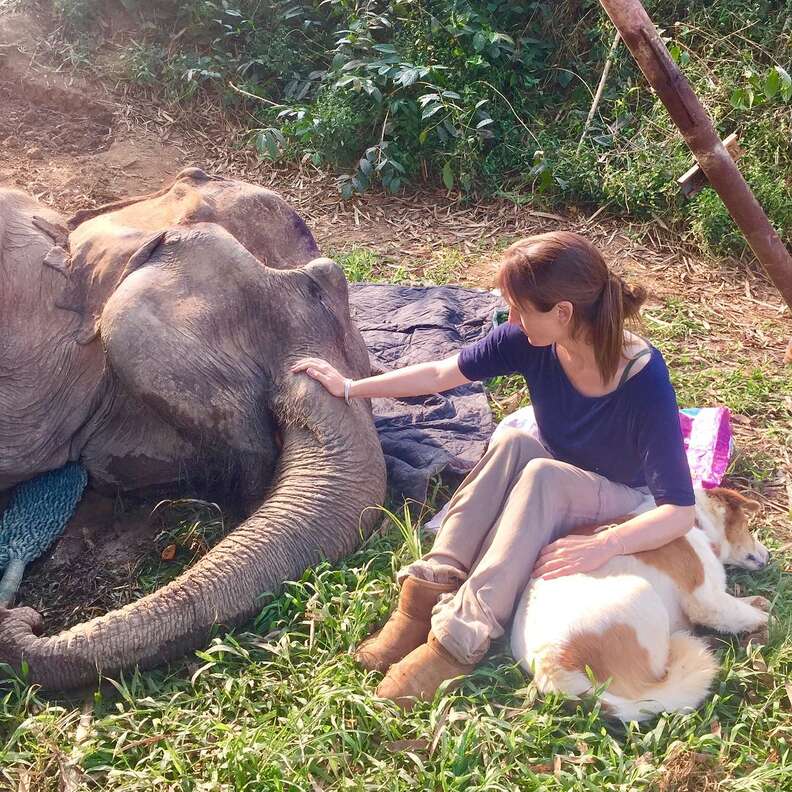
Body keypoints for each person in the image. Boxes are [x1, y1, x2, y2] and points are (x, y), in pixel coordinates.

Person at [291, 231, 695, 709]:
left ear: (562, 312)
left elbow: (678, 510)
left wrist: (604, 544)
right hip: (559, 470)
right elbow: (442, 374)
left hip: (621, 498)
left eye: (521, 309)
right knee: (512, 440)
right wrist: (351, 387)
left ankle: (459, 638)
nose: (512, 319)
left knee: (543, 475)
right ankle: (427, 591)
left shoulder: (642, 375)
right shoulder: (531, 341)